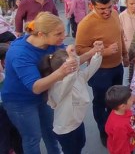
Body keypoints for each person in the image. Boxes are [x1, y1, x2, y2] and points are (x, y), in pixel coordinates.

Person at [0, 12, 81, 154]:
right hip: (19, 102)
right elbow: (36, 87)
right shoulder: (20, 53)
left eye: (63, 32)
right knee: (32, 138)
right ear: (42, 34)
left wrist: (73, 51)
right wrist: (60, 72)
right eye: (58, 34)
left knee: (50, 132)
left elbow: (65, 52)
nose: (63, 37)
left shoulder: (49, 43)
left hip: (43, 97)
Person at [75, 0, 129, 146]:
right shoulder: (86, 24)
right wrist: (104, 51)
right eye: (101, 9)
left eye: (109, 7)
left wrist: (124, 54)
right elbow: (79, 49)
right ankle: (104, 131)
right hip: (99, 71)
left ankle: (116, 128)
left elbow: (120, 36)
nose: (106, 12)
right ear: (92, 6)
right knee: (101, 103)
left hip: (117, 67)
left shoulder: (114, 14)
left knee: (117, 101)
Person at [39, 43, 103, 154]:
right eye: (73, 63)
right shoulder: (57, 87)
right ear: (63, 70)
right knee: (72, 150)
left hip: (77, 123)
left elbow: (91, 69)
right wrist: (71, 56)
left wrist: (98, 53)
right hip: (65, 129)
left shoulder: (78, 77)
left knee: (80, 144)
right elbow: (69, 80)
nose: (77, 63)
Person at [0, 43, 23, 154]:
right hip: (3, 112)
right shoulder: (3, 76)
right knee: (4, 141)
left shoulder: (8, 74)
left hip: (11, 109)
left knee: (17, 136)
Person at [105, 85, 135, 154]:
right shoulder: (120, 127)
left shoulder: (121, 110)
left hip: (130, 140)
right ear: (122, 106)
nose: (133, 100)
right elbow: (121, 148)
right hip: (126, 149)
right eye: (131, 100)